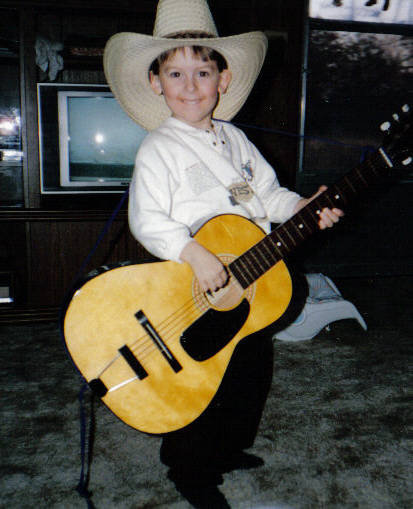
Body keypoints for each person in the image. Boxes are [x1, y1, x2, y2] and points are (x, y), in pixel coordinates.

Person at [103, 0, 343, 506]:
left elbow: (268, 195)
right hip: (194, 289)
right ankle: (190, 470)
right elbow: (146, 219)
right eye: (176, 74)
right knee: (204, 380)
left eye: (203, 72)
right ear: (156, 83)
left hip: (250, 280)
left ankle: (227, 448)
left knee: (250, 374)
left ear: (223, 79)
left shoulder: (236, 140)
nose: (190, 86)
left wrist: (302, 206)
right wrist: (192, 252)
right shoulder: (159, 148)